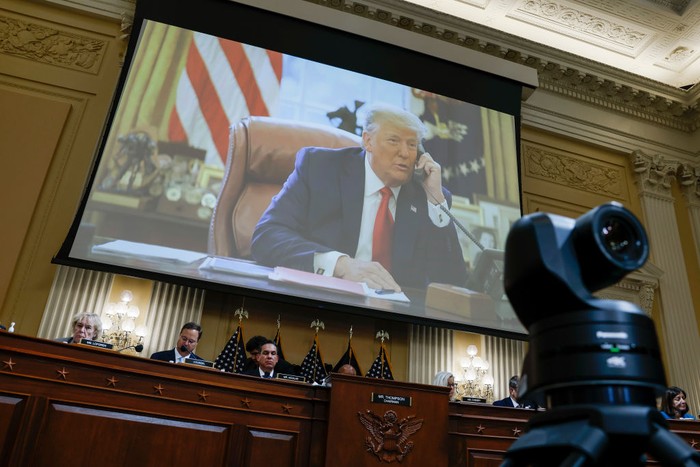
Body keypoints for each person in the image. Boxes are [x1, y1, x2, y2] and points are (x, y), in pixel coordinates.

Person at [251, 103, 467, 292]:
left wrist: (436, 203)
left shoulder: (425, 195)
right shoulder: (319, 169)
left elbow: (452, 282)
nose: (405, 153)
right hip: (322, 298)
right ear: (368, 141)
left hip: (392, 316)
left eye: (412, 144)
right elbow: (267, 236)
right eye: (394, 140)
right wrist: (341, 265)